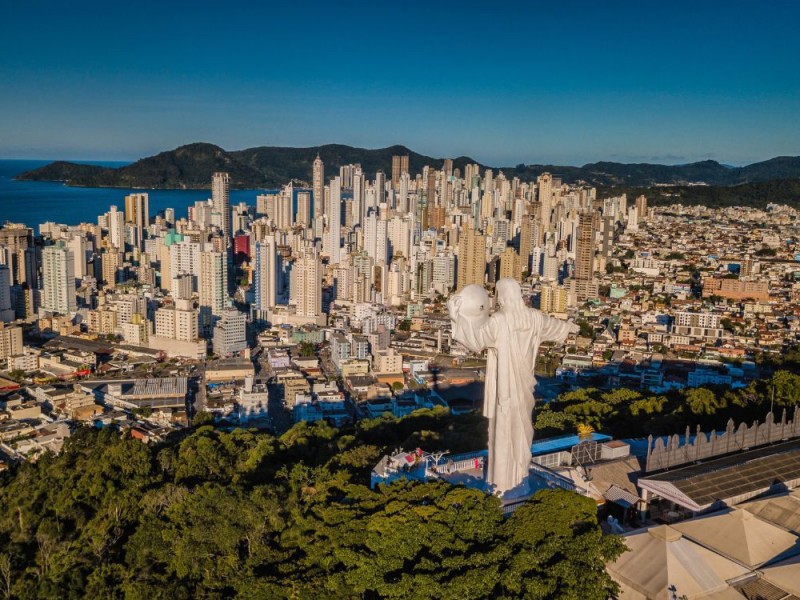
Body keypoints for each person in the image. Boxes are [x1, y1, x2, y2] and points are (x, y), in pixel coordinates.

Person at [448, 278, 578, 496]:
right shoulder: (535, 318)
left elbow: (476, 340)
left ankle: (502, 485)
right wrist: (570, 326)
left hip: (505, 391)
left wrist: (456, 317)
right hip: (524, 388)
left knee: (504, 432)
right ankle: (520, 480)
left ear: (502, 297)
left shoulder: (499, 321)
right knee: (522, 432)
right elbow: (557, 328)